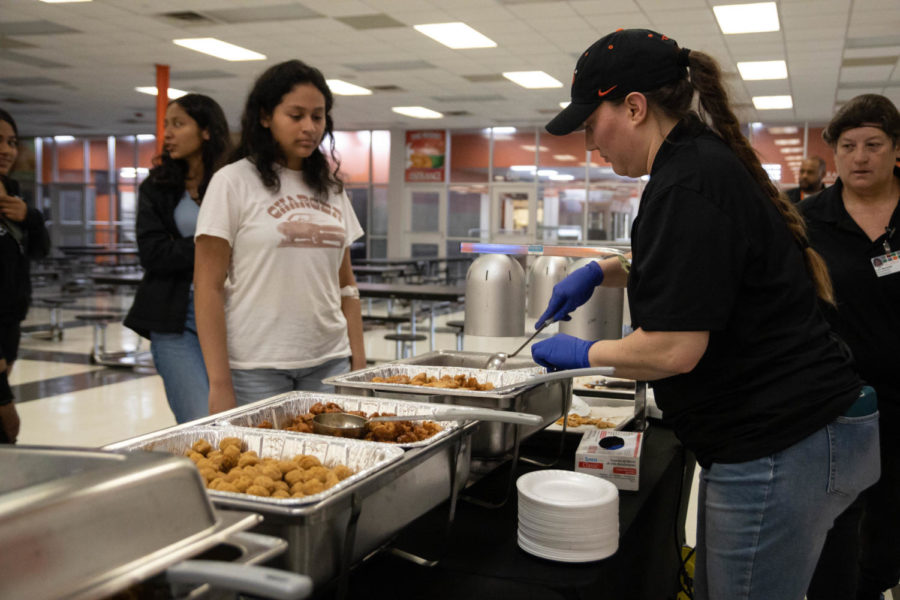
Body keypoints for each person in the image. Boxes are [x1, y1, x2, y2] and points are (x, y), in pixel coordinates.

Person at [531, 29, 879, 600]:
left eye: (592, 123)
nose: (590, 142)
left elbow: (673, 350)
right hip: (801, 432)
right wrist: (603, 271)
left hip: (778, 441)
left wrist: (583, 355)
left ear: (635, 107)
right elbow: (700, 259)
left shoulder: (687, 181)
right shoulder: (697, 163)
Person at [195, 60, 365, 415]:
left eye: (318, 117)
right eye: (296, 115)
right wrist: (219, 383)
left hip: (330, 361)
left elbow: (346, 285)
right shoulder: (232, 182)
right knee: (264, 470)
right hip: (256, 366)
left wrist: (358, 369)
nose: (309, 127)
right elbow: (207, 287)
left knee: (330, 467)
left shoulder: (332, 188)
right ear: (265, 116)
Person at [802, 94, 900, 600]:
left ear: (896, 150)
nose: (860, 156)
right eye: (849, 146)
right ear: (835, 154)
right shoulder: (805, 221)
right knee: (836, 522)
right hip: (834, 401)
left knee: (889, 526)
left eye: (873, 144)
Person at [123, 94, 231, 424]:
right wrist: (215, 245)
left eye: (178, 124)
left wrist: (182, 244)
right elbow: (153, 253)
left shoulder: (234, 182)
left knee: (237, 421)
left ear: (207, 131)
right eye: (166, 125)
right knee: (201, 420)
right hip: (175, 319)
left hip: (235, 319)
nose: (167, 133)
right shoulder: (157, 186)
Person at [0, 107, 50, 443]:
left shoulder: (13, 191)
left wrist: (30, 216)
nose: (7, 150)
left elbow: (40, 250)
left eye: (12, 142)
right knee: (7, 425)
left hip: (10, 323)